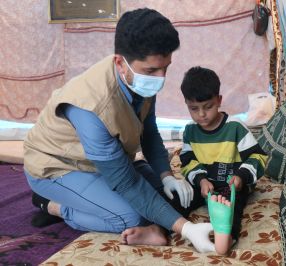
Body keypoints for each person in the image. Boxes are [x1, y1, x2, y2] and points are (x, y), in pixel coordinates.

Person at [23, 8, 215, 253]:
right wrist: (186, 229)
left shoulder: (137, 77)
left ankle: (90, 200)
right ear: (120, 63)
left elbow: (149, 131)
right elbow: (128, 184)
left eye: (165, 68)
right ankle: (53, 206)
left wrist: (166, 174)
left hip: (97, 161)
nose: (161, 78)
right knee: (130, 217)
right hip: (57, 167)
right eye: (152, 71)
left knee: (162, 196)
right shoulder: (91, 108)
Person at [178, 66, 268, 254]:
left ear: (219, 101)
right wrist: (201, 180)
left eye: (208, 107)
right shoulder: (190, 131)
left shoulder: (235, 127)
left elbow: (258, 156)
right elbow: (187, 162)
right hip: (202, 186)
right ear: (186, 103)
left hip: (232, 186)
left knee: (232, 209)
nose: (201, 114)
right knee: (178, 198)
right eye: (194, 109)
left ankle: (227, 237)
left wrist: (241, 177)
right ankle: (158, 228)